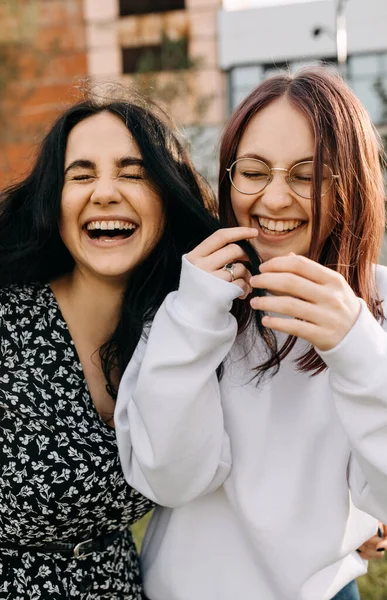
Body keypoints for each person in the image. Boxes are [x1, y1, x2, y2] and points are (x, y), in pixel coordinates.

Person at [115, 68, 387, 600]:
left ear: (349, 186)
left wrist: (356, 346)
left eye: (305, 174)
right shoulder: (191, 297)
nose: (274, 199)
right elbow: (170, 478)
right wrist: (194, 318)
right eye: (253, 171)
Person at [0, 91, 231, 598]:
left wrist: (360, 521)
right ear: (52, 201)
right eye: (80, 175)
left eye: (132, 173)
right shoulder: (7, 320)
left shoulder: (181, 327)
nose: (105, 192)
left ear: (167, 199)